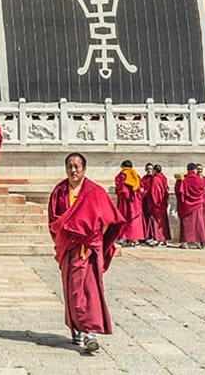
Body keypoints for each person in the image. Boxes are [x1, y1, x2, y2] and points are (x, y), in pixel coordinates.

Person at [47, 152, 124, 354]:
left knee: (90, 290)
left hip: (88, 250)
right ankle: (77, 328)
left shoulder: (95, 192)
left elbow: (109, 220)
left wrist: (95, 239)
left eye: (77, 166)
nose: (73, 170)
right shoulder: (59, 191)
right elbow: (54, 222)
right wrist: (67, 237)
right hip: (69, 248)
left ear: (84, 169)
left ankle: (90, 330)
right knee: (72, 290)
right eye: (69, 166)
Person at [177, 163, 205, 249]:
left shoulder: (184, 179)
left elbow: (179, 192)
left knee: (186, 224)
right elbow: (201, 191)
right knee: (198, 224)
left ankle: (185, 243)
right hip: (197, 205)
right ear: (194, 170)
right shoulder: (198, 179)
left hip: (186, 206)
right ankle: (199, 242)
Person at [113, 160, 144, 246]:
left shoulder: (122, 175)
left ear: (123, 166)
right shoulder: (136, 176)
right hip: (136, 202)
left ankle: (124, 237)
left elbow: (121, 189)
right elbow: (141, 189)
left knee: (124, 218)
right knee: (135, 220)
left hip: (125, 202)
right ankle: (135, 240)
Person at [147, 165, 171, 247]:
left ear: (154, 170)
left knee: (157, 223)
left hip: (157, 204)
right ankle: (163, 240)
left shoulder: (155, 179)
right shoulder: (163, 178)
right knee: (163, 222)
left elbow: (155, 192)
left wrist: (154, 202)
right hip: (163, 203)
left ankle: (160, 239)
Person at [139, 163, 154, 242]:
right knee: (144, 219)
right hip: (144, 201)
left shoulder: (154, 179)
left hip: (151, 202)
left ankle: (151, 235)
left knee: (151, 219)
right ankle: (144, 235)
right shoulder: (143, 179)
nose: (149, 170)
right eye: (148, 169)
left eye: (151, 169)